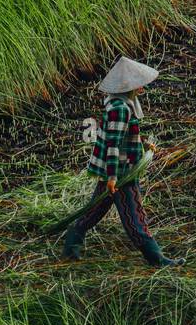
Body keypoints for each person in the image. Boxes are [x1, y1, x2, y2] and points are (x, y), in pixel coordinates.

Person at [63, 56, 184, 267]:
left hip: (118, 168)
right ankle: (155, 258)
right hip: (120, 171)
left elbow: (126, 135)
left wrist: (143, 145)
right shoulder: (120, 109)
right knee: (134, 214)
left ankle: (73, 240)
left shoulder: (123, 104)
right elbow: (113, 144)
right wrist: (112, 177)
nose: (142, 89)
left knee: (96, 208)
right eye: (139, 85)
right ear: (128, 87)